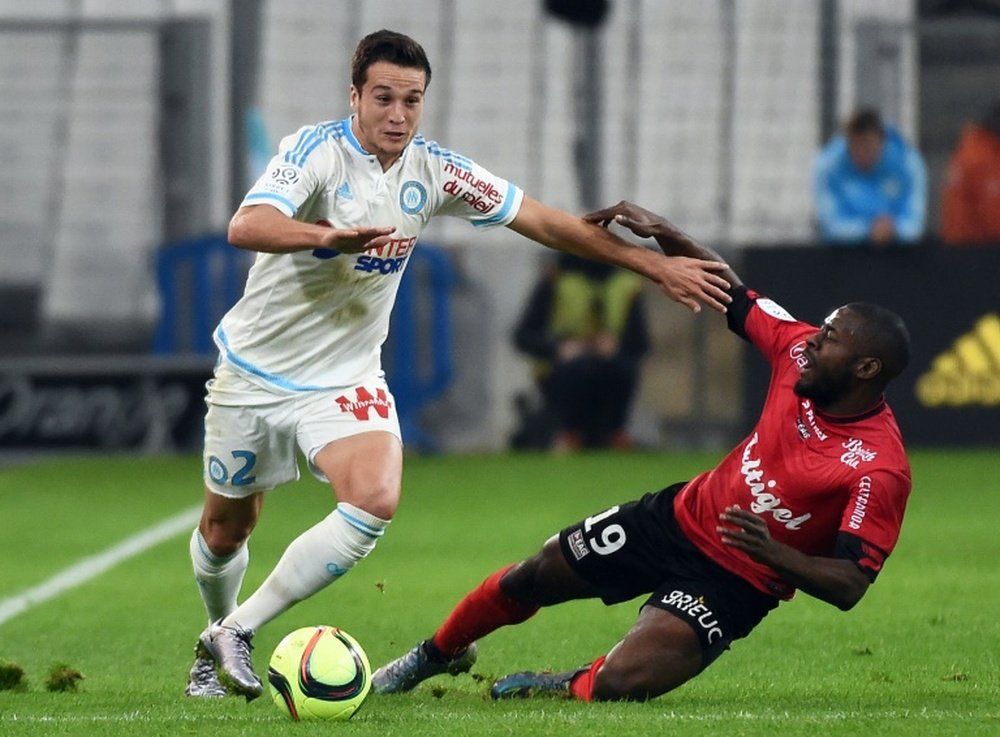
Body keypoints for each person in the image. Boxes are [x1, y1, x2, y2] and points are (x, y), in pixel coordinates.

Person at [185, 31, 732, 701]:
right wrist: (325, 235)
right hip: (255, 372)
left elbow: (545, 221)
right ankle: (213, 639)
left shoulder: (434, 170)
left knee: (373, 501)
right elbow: (248, 223)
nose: (397, 114)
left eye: (411, 100)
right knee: (226, 528)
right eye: (383, 97)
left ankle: (238, 629)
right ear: (354, 96)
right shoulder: (316, 153)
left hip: (344, 377)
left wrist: (654, 264)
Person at [372, 200, 912, 702]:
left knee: (625, 682)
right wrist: (668, 237)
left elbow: (850, 584)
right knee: (534, 575)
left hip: (739, 582)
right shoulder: (797, 350)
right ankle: (433, 655)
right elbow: (732, 293)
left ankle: (567, 683)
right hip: (678, 518)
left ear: (866, 370)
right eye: (821, 329)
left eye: (832, 338)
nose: (813, 340)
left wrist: (775, 555)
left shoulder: (877, 467)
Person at [511, 252, 650, 451]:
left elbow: (640, 341)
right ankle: (569, 434)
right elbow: (523, 336)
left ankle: (615, 434)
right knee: (578, 370)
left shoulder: (627, 283)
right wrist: (559, 348)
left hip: (611, 373)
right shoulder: (556, 279)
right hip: (562, 375)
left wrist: (617, 345)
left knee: (621, 368)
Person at [814, 108, 927, 246]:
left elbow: (914, 224)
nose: (862, 154)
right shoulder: (828, 165)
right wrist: (868, 229)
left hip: (899, 255)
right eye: (856, 147)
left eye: (868, 147)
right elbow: (831, 225)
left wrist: (893, 229)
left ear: (882, 142)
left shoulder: (908, 162)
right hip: (844, 256)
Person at [940, 100, 1000, 246]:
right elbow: (993, 216)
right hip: (976, 251)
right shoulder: (980, 156)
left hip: (968, 249)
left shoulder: (973, 148)